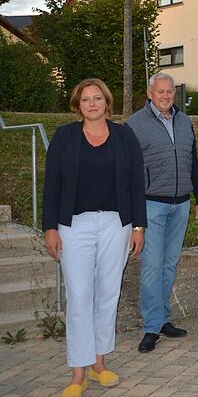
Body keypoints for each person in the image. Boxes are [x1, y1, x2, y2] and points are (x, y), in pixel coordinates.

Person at [43, 78, 146, 397]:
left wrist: (138, 226)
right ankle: (78, 372)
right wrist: (50, 228)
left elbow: (135, 183)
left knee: (107, 294)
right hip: (74, 227)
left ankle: (99, 363)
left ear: (106, 102)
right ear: (77, 105)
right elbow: (52, 185)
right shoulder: (64, 137)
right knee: (79, 295)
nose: (92, 103)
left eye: (97, 98)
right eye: (85, 99)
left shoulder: (124, 136)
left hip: (116, 225)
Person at [126, 73, 198, 353]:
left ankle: (162, 320)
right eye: (159, 92)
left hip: (181, 203)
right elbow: (128, 172)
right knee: (151, 267)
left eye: (169, 91)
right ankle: (151, 327)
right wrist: (134, 214)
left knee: (169, 264)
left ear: (175, 93)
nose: (165, 96)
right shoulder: (135, 124)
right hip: (151, 205)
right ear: (150, 94)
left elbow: (192, 162)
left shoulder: (184, 121)